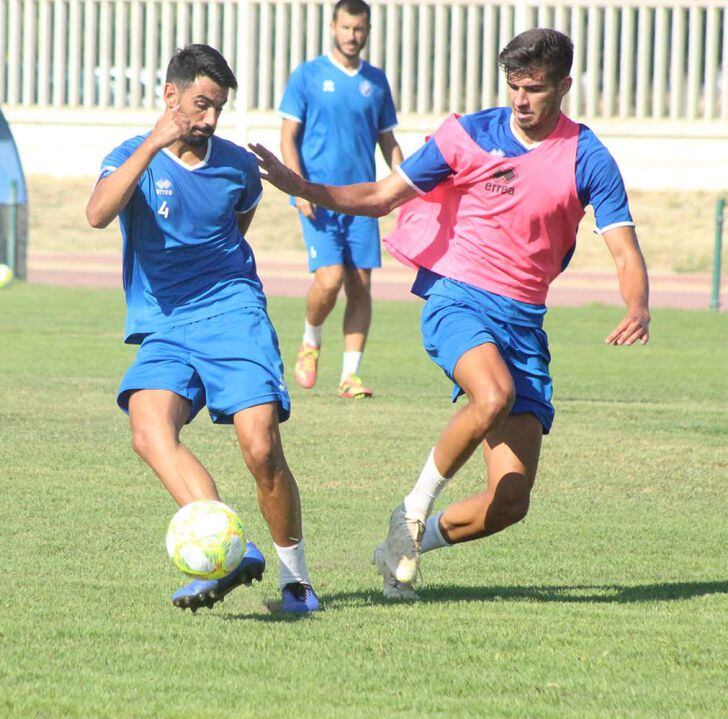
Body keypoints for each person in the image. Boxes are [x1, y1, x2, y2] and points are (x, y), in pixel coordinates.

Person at [250, 28, 650, 599]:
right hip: (458, 298)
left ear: (563, 86)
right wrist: (302, 187)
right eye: (513, 86)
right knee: (492, 396)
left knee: (510, 502)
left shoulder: (588, 156)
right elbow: (383, 195)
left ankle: (404, 544)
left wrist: (637, 304)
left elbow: (623, 247)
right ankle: (413, 509)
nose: (521, 99)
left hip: (524, 323)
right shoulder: (467, 135)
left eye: (534, 88)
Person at [85, 44, 322, 613]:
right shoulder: (130, 157)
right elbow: (96, 214)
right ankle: (230, 554)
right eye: (200, 104)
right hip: (165, 325)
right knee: (149, 429)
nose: (210, 119)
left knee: (261, 447)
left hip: (232, 310)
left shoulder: (238, 166)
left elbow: (236, 226)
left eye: (218, 107)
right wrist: (153, 145)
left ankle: (296, 581)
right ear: (170, 97)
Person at [277, 0, 404, 399]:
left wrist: (406, 184)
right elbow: (287, 138)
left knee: (360, 284)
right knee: (329, 280)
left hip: (364, 200)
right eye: (346, 28)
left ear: (367, 31)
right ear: (333, 27)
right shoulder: (307, 76)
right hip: (319, 197)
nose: (353, 36)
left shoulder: (376, 82)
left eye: (360, 29)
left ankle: (350, 376)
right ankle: (311, 341)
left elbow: (388, 142)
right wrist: (298, 188)